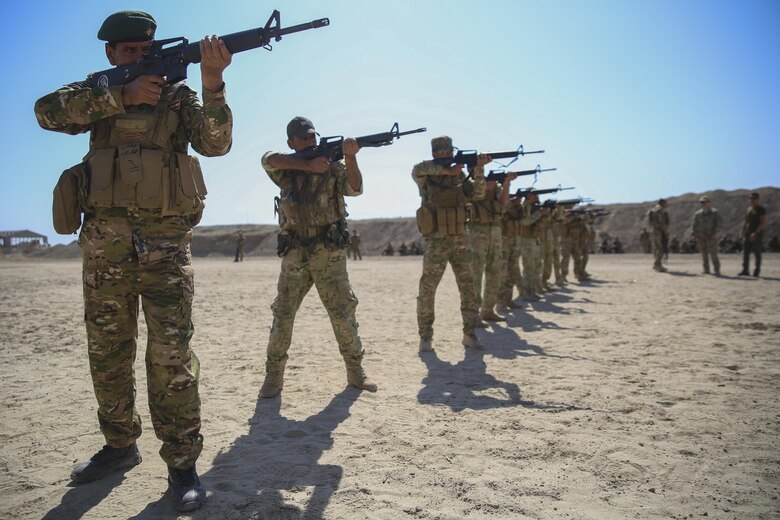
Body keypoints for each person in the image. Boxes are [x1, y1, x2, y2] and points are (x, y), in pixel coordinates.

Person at [33, 11, 233, 511]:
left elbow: (216, 144)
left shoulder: (178, 99)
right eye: (128, 52)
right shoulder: (97, 94)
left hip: (165, 249)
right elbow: (45, 112)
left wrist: (213, 82)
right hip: (106, 249)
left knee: (171, 357)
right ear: (110, 54)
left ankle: (182, 464)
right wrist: (117, 96)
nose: (139, 60)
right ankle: (120, 445)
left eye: (146, 51)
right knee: (108, 353)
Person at [259, 117, 377, 398]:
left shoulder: (333, 169)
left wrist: (350, 159)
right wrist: (307, 165)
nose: (310, 142)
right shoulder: (284, 169)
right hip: (295, 252)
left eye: (313, 137)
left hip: (328, 252)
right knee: (283, 316)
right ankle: (273, 377)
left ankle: (355, 372)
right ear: (292, 143)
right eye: (303, 138)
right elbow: (267, 158)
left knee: (342, 313)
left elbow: (356, 189)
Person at [413, 136, 489, 352]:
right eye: (441, 152)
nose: (445, 155)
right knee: (427, 289)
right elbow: (416, 169)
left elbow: (478, 194)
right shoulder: (425, 174)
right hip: (435, 240)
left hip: (460, 240)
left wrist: (479, 169)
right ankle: (425, 337)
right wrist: (448, 171)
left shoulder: (460, 176)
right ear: (435, 153)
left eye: (448, 152)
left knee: (469, 288)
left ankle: (469, 334)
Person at [469, 171, 516, 321]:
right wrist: (485, 183)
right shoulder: (472, 184)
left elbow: (504, 205)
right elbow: (476, 197)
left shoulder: (496, 190)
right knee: (475, 274)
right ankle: (473, 314)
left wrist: (507, 183)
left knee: (495, 273)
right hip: (477, 232)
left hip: (495, 233)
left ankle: (487, 310)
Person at [738, 192, 767, 277]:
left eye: (754, 198)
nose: (752, 200)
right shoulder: (748, 209)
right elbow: (745, 222)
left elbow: (762, 222)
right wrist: (741, 233)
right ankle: (745, 270)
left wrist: (756, 232)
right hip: (748, 233)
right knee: (745, 252)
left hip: (757, 234)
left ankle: (757, 271)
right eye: (750, 198)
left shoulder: (761, 209)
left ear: (757, 199)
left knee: (757, 252)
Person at [648, 199, 670, 271]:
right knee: (661, 248)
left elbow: (650, 222)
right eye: (666, 203)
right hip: (659, 231)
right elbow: (662, 223)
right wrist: (665, 232)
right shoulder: (660, 210)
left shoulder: (653, 210)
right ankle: (657, 264)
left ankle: (657, 264)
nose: (666, 205)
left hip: (654, 231)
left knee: (657, 248)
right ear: (662, 203)